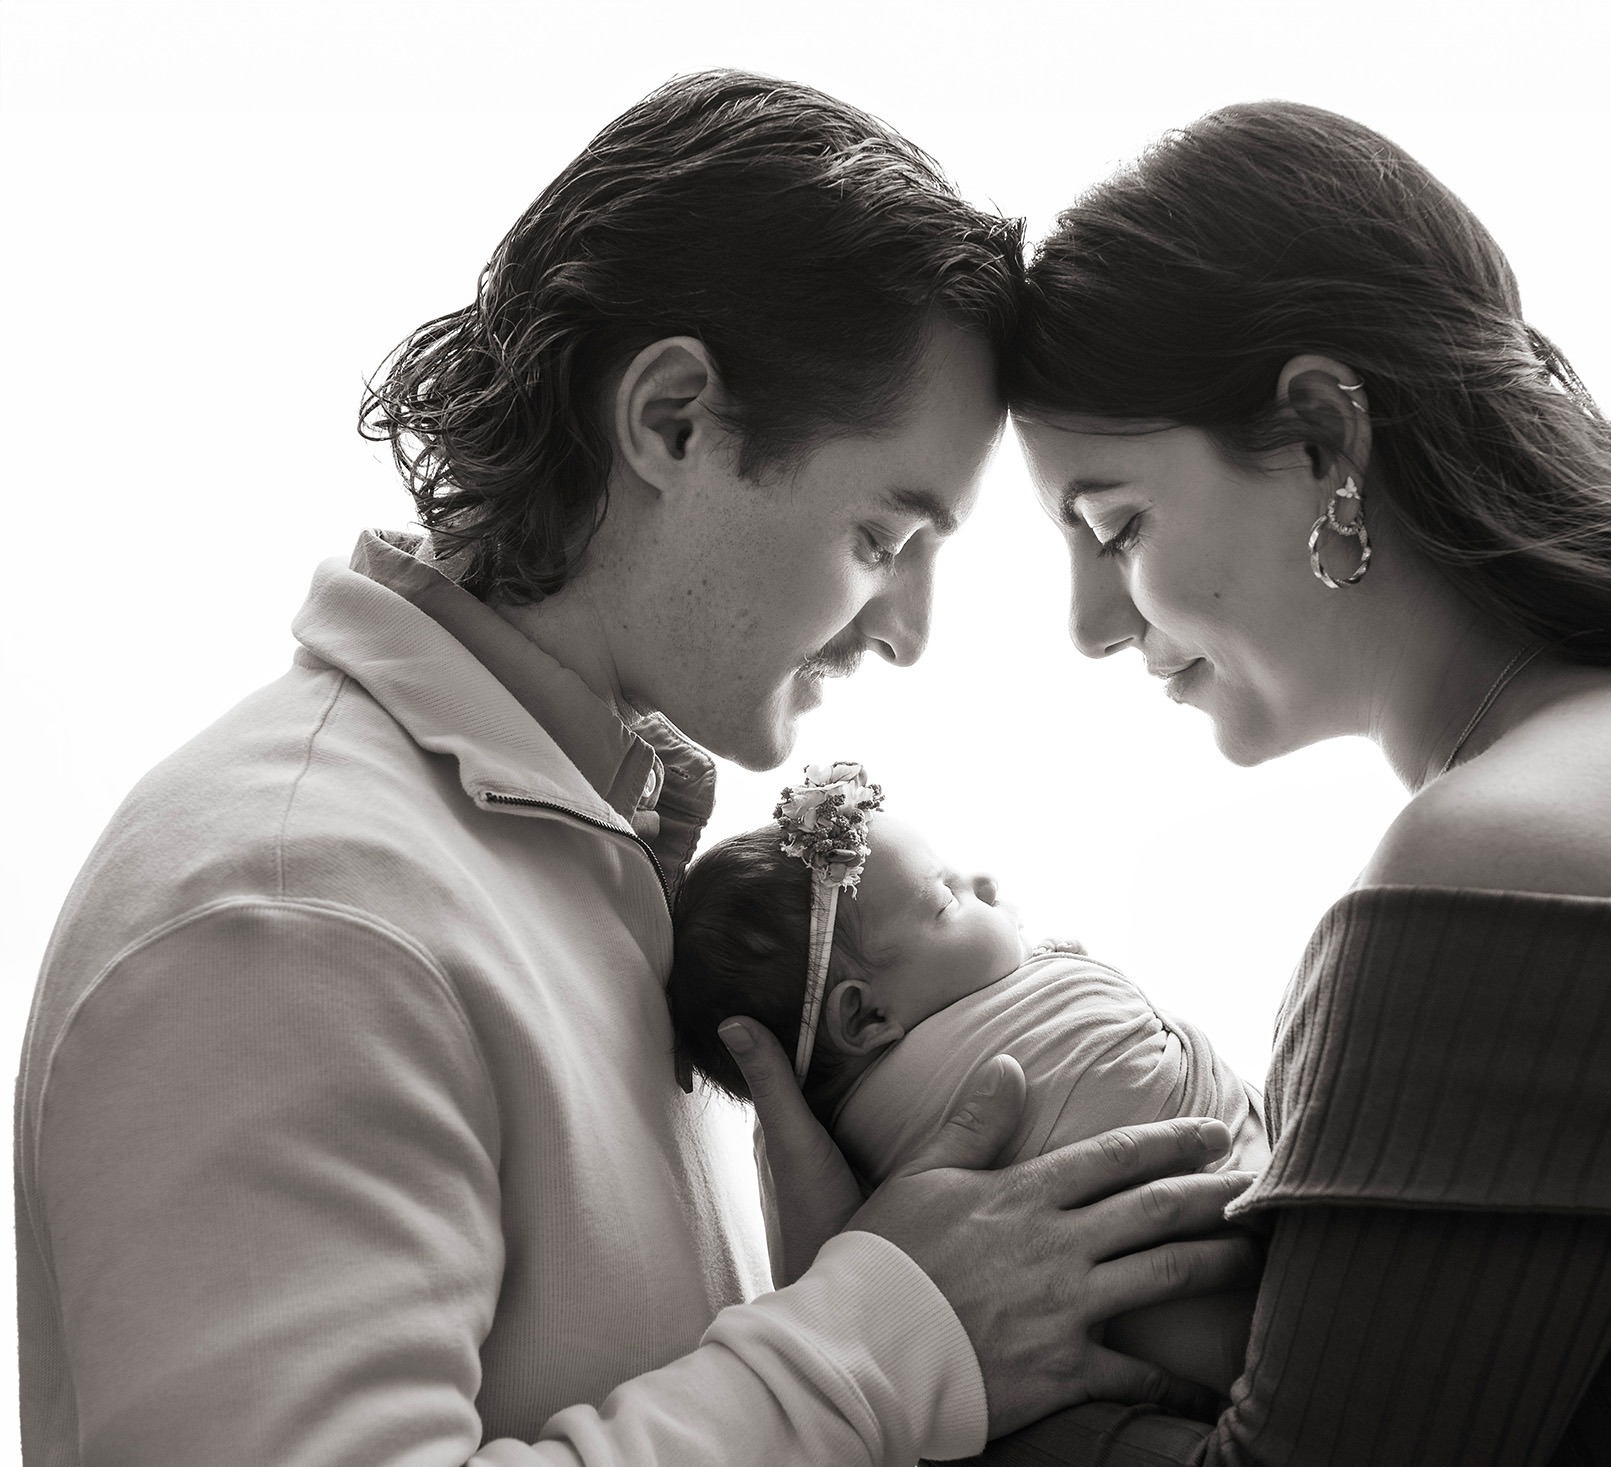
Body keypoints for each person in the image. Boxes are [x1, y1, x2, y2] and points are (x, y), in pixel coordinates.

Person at [13, 72, 1260, 1467]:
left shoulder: (598, 876)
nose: (906, 633)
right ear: (673, 420)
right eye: (881, 539)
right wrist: (880, 1336)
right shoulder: (293, 912)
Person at [983, 101, 1611, 1462]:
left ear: (1325, 440)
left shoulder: (1518, 848)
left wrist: (925, 1346)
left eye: (1117, 526)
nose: (1091, 624)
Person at [667, 766, 1268, 1396]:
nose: (985, 881)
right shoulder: (964, 1089)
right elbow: (1117, 1074)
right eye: (948, 900)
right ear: (866, 1016)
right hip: (1244, 1310)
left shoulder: (855, 1172)